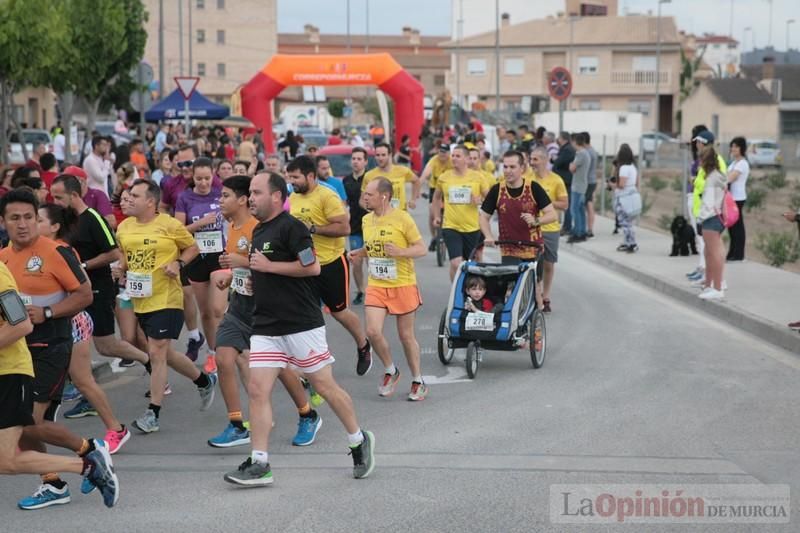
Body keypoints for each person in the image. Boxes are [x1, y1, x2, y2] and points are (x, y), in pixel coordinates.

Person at [223, 172, 375, 486]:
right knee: (257, 389)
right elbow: (265, 269)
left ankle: (358, 440)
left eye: (256, 192)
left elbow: (312, 267)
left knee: (325, 387)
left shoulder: (293, 229)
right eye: (249, 192)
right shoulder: (260, 230)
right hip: (265, 326)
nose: (250, 198)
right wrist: (255, 278)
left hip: (300, 325)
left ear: (277, 196)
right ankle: (260, 462)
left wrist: (268, 267)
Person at [0, 188, 120, 509]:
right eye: (15, 218)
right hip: (17, 350)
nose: (23, 224)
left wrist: (49, 312)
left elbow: (85, 295)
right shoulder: (3, 257)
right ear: (4, 222)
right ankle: (56, 480)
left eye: (29, 217)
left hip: (52, 345)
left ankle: (88, 452)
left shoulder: (57, 252)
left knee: (28, 422)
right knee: (24, 427)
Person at [210, 175, 323, 448]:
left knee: (281, 368)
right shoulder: (234, 227)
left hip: (266, 309)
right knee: (223, 358)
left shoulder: (261, 226)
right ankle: (237, 424)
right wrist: (231, 275)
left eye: (226, 196)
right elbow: (247, 266)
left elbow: (275, 263)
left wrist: (246, 264)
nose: (221, 201)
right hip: (239, 306)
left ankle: (308, 414)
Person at [113, 180, 218, 433]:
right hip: (139, 297)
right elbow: (127, 255)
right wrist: (121, 269)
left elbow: (192, 247)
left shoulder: (170, 225)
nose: (129, 199)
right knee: (164, 353)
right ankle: (204, 380)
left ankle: (153, 413)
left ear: (151, 201)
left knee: (158, 352)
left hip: (167, 298)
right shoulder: (124, 227)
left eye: (135, 196)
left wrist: (179, 264)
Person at [50, 174, 151, 426]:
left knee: (106, 346)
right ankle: (85, 394)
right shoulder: (63, 221)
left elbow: (113, 253)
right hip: (71, 293)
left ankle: (150, 361)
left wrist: (81, 265)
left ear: (74, 196)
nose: (54, 200)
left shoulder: (93, 218)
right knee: (70, 343)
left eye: (58, 196)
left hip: (97, 289)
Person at [36, 203, 131, 453]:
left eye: (37, 220)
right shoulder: (33, 251)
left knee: (83, 380)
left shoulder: (64, 251)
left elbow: (83, 286)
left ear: (55, 227)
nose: (29, 224)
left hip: (72, 322)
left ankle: (116, 429)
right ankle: (39, 427)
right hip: (48, 326)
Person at [286, 156, 372, 375]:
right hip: (305, 266)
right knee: (306, 314)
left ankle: (363, 345)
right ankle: (310, 362)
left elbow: (344, 228)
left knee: (339, 312)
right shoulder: (293, 198)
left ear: (310, 176)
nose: (292, 182)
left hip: (331, 263)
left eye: (295, 177)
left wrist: (313, 229)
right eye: (290, 177)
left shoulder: (327, 196)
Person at [349, 177, 428, 400]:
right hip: (376, 283)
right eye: (365, 194)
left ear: (383, 196)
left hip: (402, 283)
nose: (365, 197)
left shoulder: (402, 218)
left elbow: (421, 248)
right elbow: (372, 247)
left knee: (405, 335)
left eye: (369, 194)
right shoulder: (366, 220)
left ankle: (417, 379)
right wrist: (359, 253)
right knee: (372, 331)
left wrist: (401, 252)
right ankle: (390, 369)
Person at [159, 144, 214, 360]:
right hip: (182, 245)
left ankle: (215, 343)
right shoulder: (171, 184)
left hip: (210, 248)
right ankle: (194, 336)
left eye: (188, 163)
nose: (184, 167)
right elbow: (162, 206)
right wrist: (169, 221)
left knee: (212, 307)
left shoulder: (209, 181)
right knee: (186, 293)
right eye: (180, 163)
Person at [174, 157, 227, 373]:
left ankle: (226, 349)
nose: (204, 183)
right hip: (196, 257)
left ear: (213, 175)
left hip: (219, 256)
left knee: (217, 309)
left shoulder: (221, 193)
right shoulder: (185, 197)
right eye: (199, 179)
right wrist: (199, 224)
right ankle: (213, 352)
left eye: (207, 178)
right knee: (205, 312)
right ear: (193, 177)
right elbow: (178, 230)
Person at [479, 150, 557, 271]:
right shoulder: (497, 190)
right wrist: (488, 236)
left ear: (522, 168)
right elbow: (483, 216)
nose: (508, 170)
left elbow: (552, 214)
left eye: (512, 167)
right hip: (508, 248)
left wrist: (536, 220)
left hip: (533, 247)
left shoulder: (533, 188)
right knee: (511, 286)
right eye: (505, 167)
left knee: (536, 286)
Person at [433, 145, 488, 280]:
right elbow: (436, 197)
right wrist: (436, 216)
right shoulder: (444, 177)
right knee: (456, 262)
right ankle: (456, 293)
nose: (454, 158)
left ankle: (470, 290)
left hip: (472, 227)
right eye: (453, 155)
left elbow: (489, 199)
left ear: (467, 159)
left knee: (470, 263)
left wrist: (479, 200)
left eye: (458, 156)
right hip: (451, 226)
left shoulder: (478, 177)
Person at [529, 147, 569, 313]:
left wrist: (545, 202)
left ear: (545, 160)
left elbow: (564, 204)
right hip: (531, 228)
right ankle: (534, 296)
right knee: (532, 264)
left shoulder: (556, 180)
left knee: (548, 264)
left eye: (536, 160)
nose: (532, 163)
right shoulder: (527, 179)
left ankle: (546, 297)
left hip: (550, 228)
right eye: (531, 159)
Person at [687, 130, 728, 282]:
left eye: (698, 142)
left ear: (703, 143)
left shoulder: (716, 160)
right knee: (705, 245)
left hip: (711, 212)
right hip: (703, 209)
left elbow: (717, 183)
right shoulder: (706, 160)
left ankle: (716, 281)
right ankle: (707, 276)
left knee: (711, 247)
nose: (696, 145)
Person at [695, 147, 727, 300]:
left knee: (713, 254)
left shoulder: (711, 179)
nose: (699, 163)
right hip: (719, 218)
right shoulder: (720, 176)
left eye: (700, 160)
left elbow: (708, 203)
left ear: (705, 161)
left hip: (710, 219)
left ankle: (717, 288)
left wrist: (700, 218)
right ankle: (709, 285)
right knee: (709, 253)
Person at [343, 147, 369, 305]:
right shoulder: (346, 180)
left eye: (359, 159)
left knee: (371, 261)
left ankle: (375, 292)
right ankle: (361, 290)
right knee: (357, 261)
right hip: (354, 226)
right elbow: (343, 203)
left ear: (365, 161)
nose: (356, 161)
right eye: (354, 158)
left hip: (371, 225)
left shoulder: (371, 178)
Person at [362, 142, 420, 211]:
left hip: (400, 215)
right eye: (378, 155)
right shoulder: (369, 175)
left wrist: (413, 199)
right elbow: (363, 199)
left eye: (383, 155)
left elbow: (416, 181)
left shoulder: (402, 171)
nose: (380, 158)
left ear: (390, 155)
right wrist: (371, 211)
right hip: (381, 218)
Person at [61, 166, 117, 230]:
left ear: (82, 181)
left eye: (69, 182)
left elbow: (112, 223)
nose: (65, 185)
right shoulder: (64, 197)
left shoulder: (97, 195)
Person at [419, 144, 452, 250]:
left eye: (444, 152)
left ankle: (448, 236)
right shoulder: (434, 160)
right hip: (435, 188)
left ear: (449, 153)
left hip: (449, 189)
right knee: (432, 212)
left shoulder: (452, 161)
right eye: (440, 152)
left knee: (450, 212)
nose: (442, 154)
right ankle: (434, 237)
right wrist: (418, 188)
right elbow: (425, 174)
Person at [612, 144, 639, 253]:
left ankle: (631, 243)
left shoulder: (623, 168)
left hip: (623, 197)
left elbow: (621, 184)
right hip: (632, 195)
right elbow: (636, 183)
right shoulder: (633, 167)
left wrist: (612, 185)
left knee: (624, 221)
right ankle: (627, 241)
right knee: (630, 221)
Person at [726, 136, 749, 261]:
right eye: (732, 146)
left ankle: (739, 254)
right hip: (731, 198)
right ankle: (732, 252)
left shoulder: (742, 164)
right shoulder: (734, 163)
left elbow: (730, 178)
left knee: (737, 226)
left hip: (738, 198)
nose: (733, 149)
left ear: (742, 148)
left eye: (736, 146)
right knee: (731, 226)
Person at [567, 133, 590, 243]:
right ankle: (582, 231)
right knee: (580, 209)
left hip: (578, 186)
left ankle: (578, 232)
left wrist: (571, 164)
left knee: (574, 210)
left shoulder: (580, 154)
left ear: (575, 142)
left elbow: (572, 168)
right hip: (581, 184)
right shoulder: (585, 153)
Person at [552, 132, 575, 235]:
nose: (557, 139)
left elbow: (559, 161)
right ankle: (565, 225)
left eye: (559, 138)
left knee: (566, 204)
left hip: (565, 179)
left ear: (563, 139)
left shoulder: (567, 149)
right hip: (563, 178)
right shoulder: (565, 148)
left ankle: (567, 226)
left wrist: (555, 159)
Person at [582, 132, 599, 238]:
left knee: (584, 206)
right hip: (592, 180)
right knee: (589, 204)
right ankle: (589, 228)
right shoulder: (593, 151)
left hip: (587, 181)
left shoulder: (587, 152)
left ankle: (588, 229)